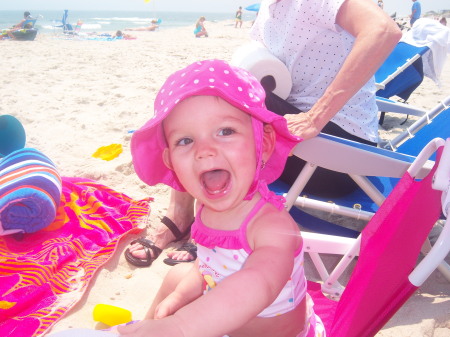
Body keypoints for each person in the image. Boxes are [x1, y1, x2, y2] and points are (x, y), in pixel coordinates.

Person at [124, 0, 401, 266]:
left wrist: (317, 116)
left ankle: (207, 221)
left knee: (212, 98)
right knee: (205, 98)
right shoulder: (268, 10)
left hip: (340, 157)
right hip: (298, 143)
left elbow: (383, 30)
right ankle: (185, 214)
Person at [118, 59, 325, 337]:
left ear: (262, 145)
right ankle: (147, 329)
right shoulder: (205, 211)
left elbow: (257, 283)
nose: (204, 150)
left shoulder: (271, 227)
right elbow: (208, 266)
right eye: (185, 140)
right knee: (178, 276)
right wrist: (180, 298)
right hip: (226, 321)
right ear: (170, 162)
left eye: (225, 132)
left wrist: (181, 326)